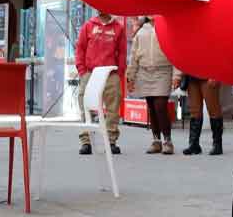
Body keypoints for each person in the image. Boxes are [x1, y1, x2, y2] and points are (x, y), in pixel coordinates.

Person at [74, 10, 126, 155]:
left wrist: (119, 73)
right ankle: (86, 141)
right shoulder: (88, 26)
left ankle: (111, 141)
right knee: (85, 106)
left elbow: (122, 52)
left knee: (113, 108)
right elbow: (80, 48)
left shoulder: (118, 28)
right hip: (90, 73)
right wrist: (82, 71)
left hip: (111, 74)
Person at [126, 17, 180, 155]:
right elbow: (133, 56)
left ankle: (168, 141)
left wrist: (177, 75)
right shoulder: (140, 32)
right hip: (144, 73)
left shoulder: (168, 28)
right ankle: (156, 141)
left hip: (163, 72)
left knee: (160, 106)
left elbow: (176, 52)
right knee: (151, 107)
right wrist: (130, 77)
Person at [183, 74, 224, 155]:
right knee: (194, 111)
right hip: (192, 76)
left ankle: (217, 144)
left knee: (213, 110)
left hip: (209, 75)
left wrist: (216, 74)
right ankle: (194, 144)